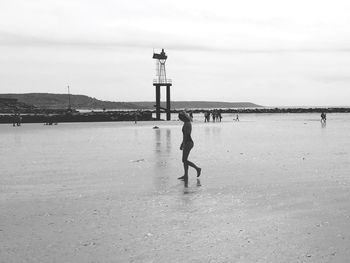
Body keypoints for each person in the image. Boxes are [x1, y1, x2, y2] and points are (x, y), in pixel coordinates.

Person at [178, 111, 201, 182]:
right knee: (185, 160)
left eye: (180, 118)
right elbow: (185, 135)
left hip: (188, 143)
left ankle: (197, 168)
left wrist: (183, 143)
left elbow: (186, 135)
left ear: (183, 117)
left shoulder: (187, 124)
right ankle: (186, 175)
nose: (180, 119)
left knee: (184, 160)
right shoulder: (187, 123)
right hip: (187, 142)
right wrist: (183, 143)